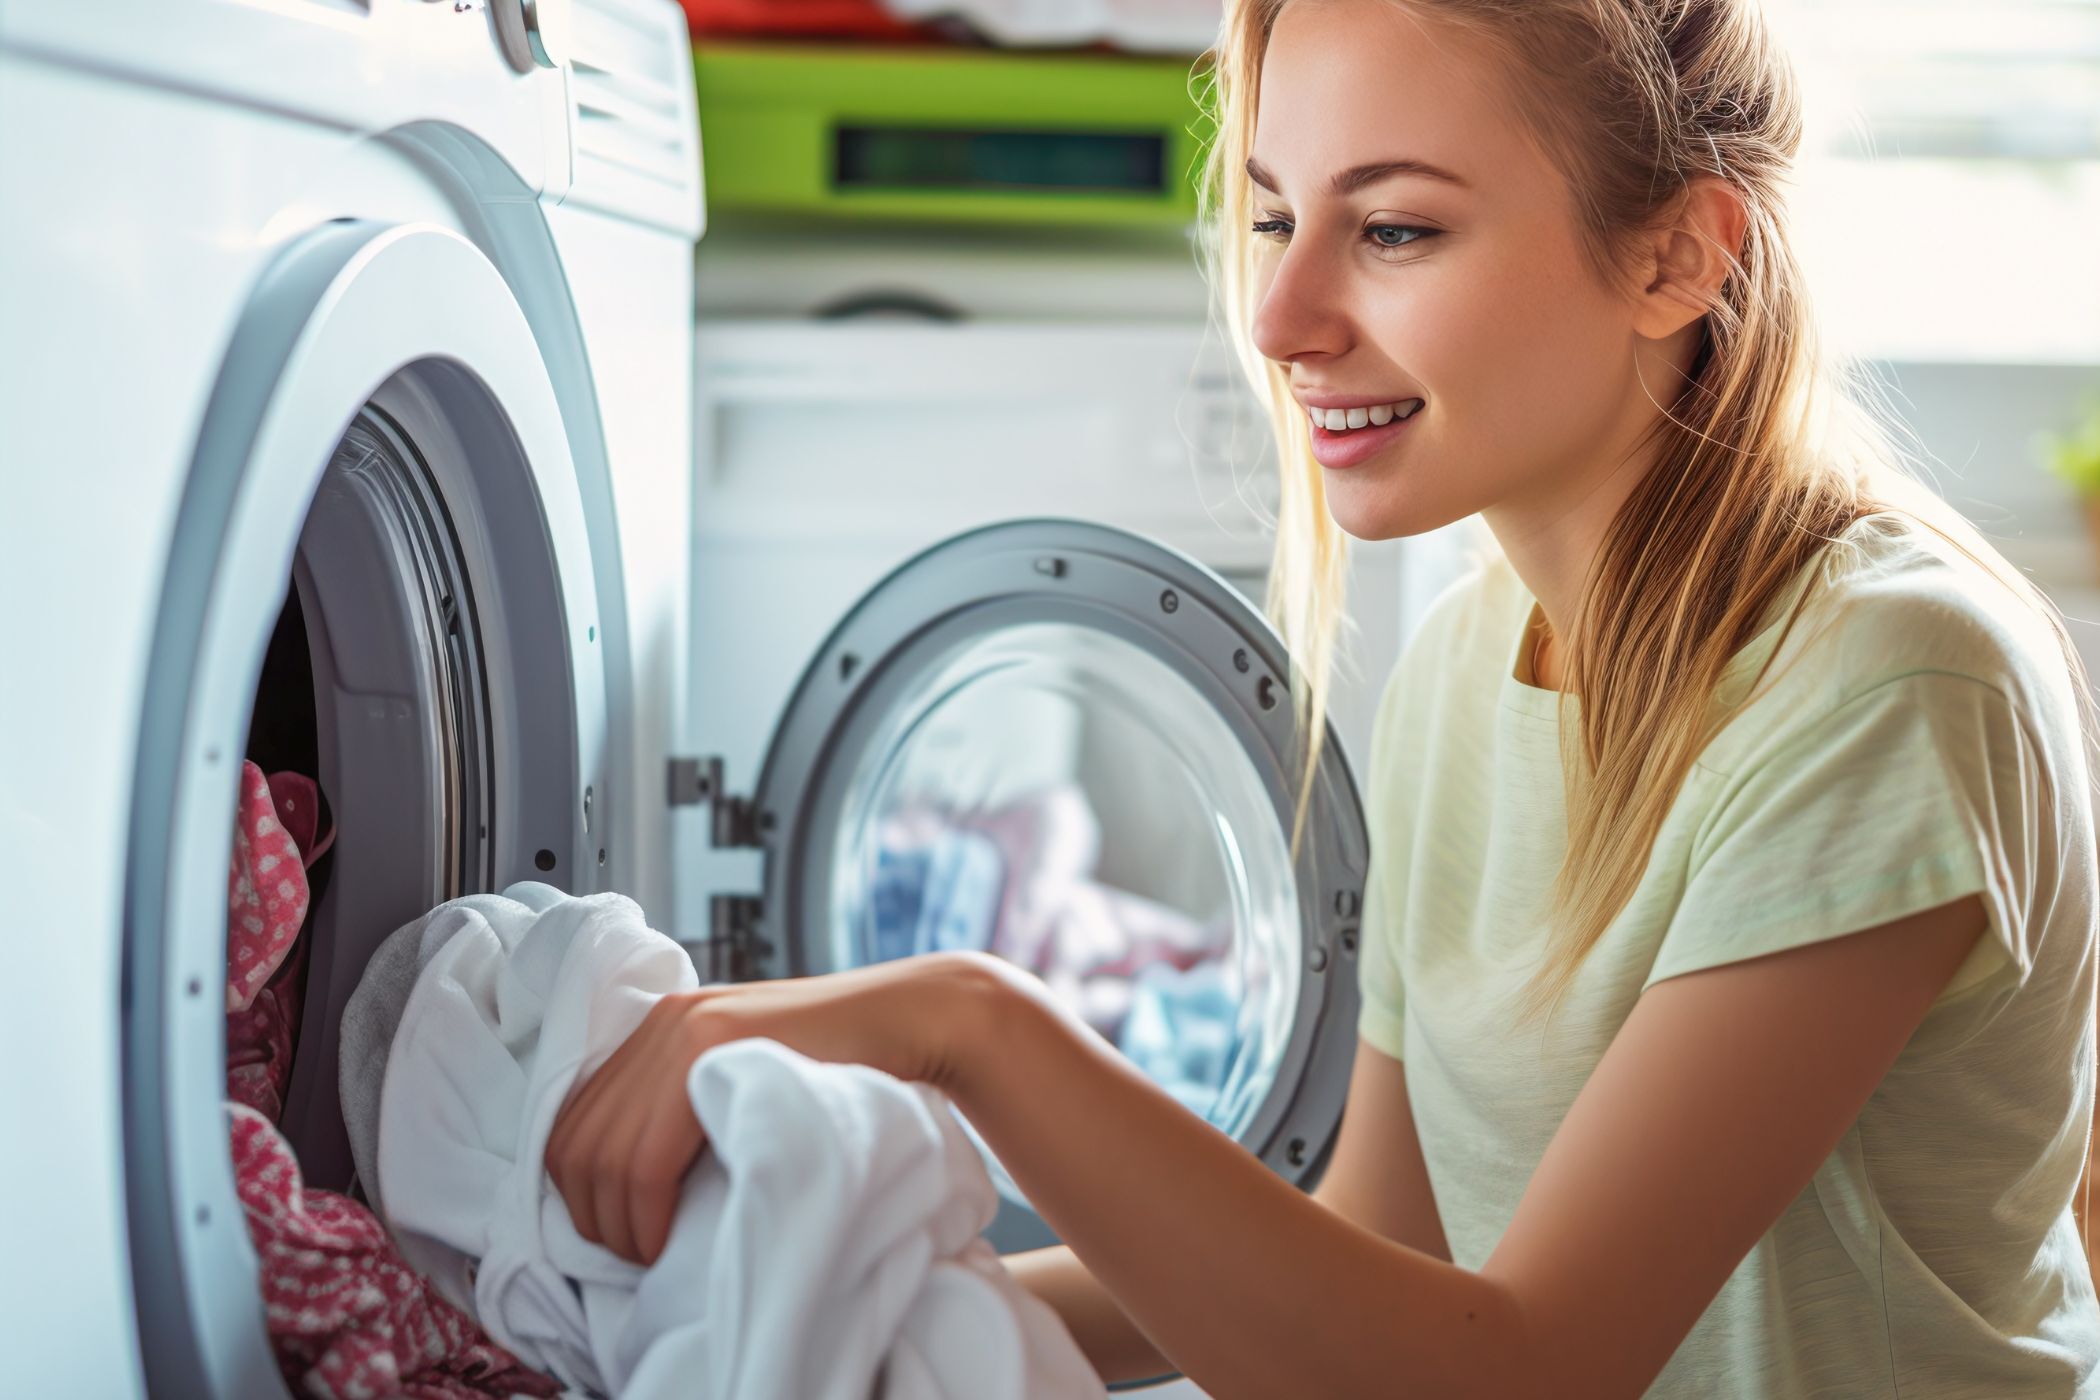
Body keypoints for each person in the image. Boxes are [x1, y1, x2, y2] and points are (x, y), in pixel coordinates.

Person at [545, 1, 2100, 1393]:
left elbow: (1522, 1369)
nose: (1283, 320)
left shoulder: (1884, 679)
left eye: (1397, 231)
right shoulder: (1470, 667)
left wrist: (967, 1025)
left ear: (1679, 256)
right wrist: (806, 1317)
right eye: (1276, 218)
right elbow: (1367, 1261)